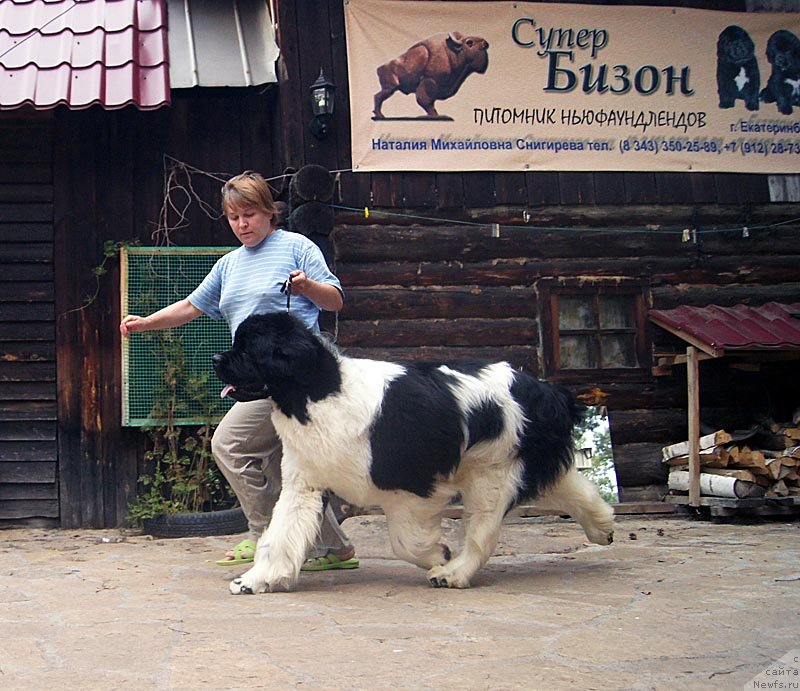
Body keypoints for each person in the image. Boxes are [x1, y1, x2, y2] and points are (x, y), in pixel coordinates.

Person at [119, 171, 358, 571]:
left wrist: (306, 288)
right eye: (233, 217)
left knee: (230, 445)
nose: (242, 224)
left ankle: (266, 535)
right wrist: (145, 322)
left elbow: (335, 300)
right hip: (256, 378)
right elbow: (191, 307)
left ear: (268, 212)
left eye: (249, 214)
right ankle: (334, 548)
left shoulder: (297, 247)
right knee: (283, 467)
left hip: (298, 380)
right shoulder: (229, 265)